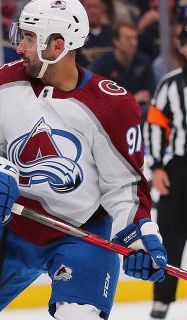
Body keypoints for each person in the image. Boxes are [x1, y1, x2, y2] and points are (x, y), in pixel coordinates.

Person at [0, 0, 166, 319]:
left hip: (82, 234)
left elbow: (124, 188)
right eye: (20, 35)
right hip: (8, 229)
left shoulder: (112, 106)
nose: (19, 47)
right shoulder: (2, 84)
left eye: (29, 38)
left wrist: (140, 238)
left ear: (57, 46)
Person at [142, 25, 187, 320]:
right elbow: (156, 124)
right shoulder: (171, 84)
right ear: (181, 47)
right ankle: (162, 299)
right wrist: (157, 166)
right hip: (181, 167)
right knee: (170, 235)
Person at [90, 21, 156, 118]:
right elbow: (101, 100)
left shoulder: (143, 61)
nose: (134, 43)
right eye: (128, 39)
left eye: (135, 38)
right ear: (116, 41)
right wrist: (133, 99)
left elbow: (149, 92)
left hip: (141, 112)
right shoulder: (102, 65)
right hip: (112, 116)